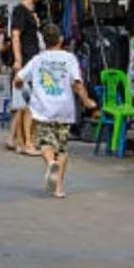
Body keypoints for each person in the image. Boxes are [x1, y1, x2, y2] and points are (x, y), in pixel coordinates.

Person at [15, 23, 97, 199]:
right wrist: (87, 101)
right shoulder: (69, 58)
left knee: (45, 143)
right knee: (62, 148)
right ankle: (59, 187)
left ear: (44, 42)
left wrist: (19, 85)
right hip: (64, 109)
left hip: (44, 110)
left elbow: (19, 78)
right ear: (61, 39)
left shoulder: (37, 59)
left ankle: (50, 162)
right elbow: (77, 83)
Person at [9, 0, 44, 155]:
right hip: (26, 61)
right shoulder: (20, 11)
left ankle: (19, 141)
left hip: (34, 60)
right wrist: (18, 60)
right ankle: (26, 142)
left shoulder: (32, 12)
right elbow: (15, 36)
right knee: (27, 104)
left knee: (26, 104)